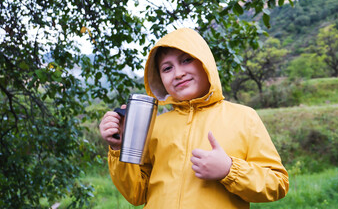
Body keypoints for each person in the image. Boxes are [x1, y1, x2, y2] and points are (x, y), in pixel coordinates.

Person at [99, 28, 289, 209]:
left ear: (205, 63)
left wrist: (229, 170)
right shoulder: (155, 126)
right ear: (160, 79)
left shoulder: (244, 117)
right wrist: (119, 146)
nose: (178, 74)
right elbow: (135, 194)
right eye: (167, 68)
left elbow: (277, 184)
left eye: (186, 60)